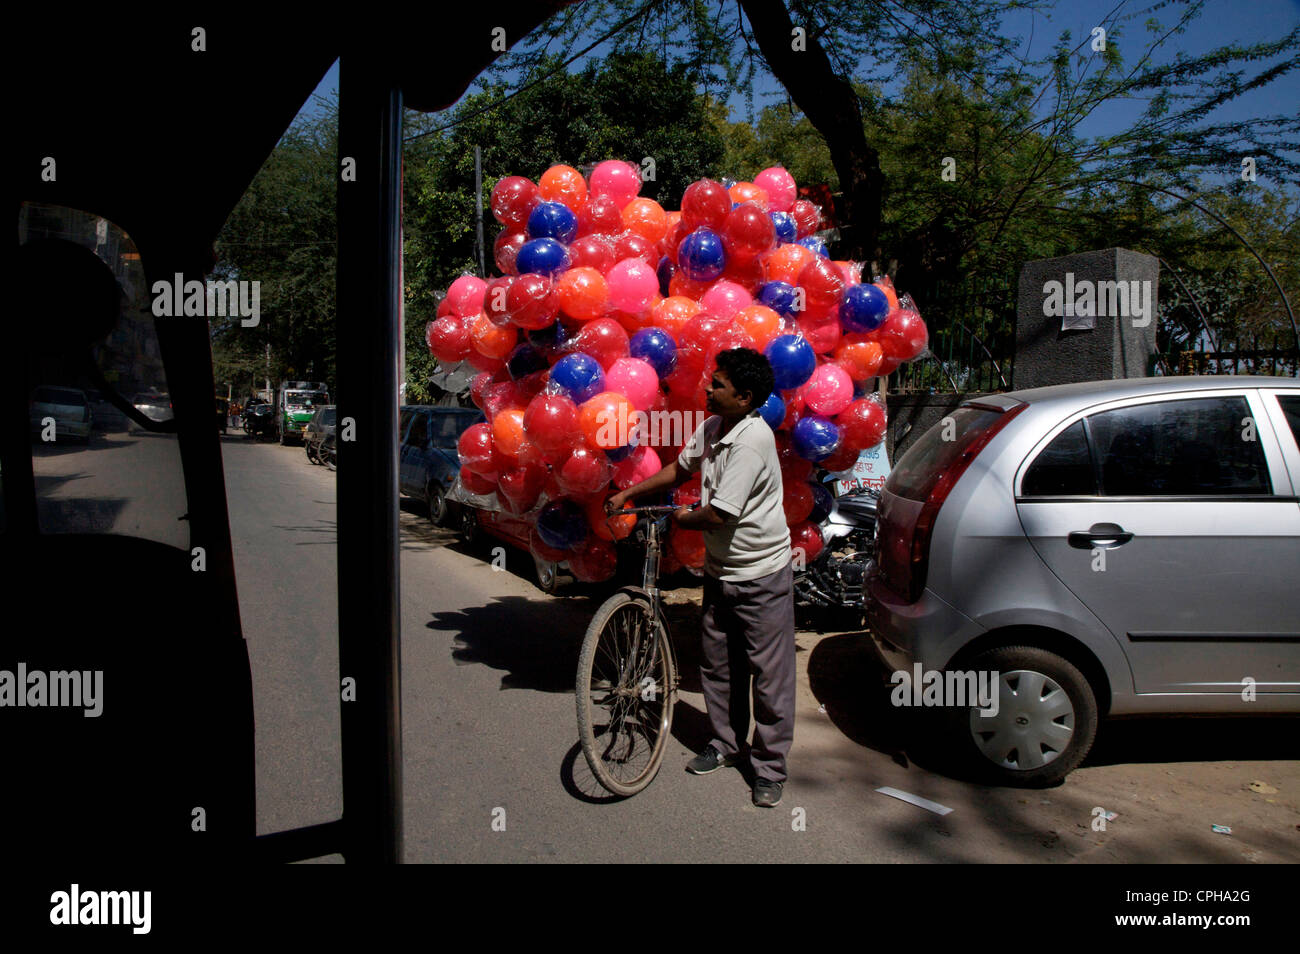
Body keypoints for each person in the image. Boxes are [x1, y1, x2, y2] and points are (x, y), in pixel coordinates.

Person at [605, 347, 795, 808]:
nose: (708, 388)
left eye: (719, 384)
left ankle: (769, 768)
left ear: (745, 397)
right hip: (720, 572)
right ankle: (726, 745)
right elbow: (680, 468)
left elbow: (718, 514)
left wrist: (672, 518)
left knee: (769, 677)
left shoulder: (753, 440)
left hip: (760, 574)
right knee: (718, 665)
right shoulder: (713, 427)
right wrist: (631, 492)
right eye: (711, 380)